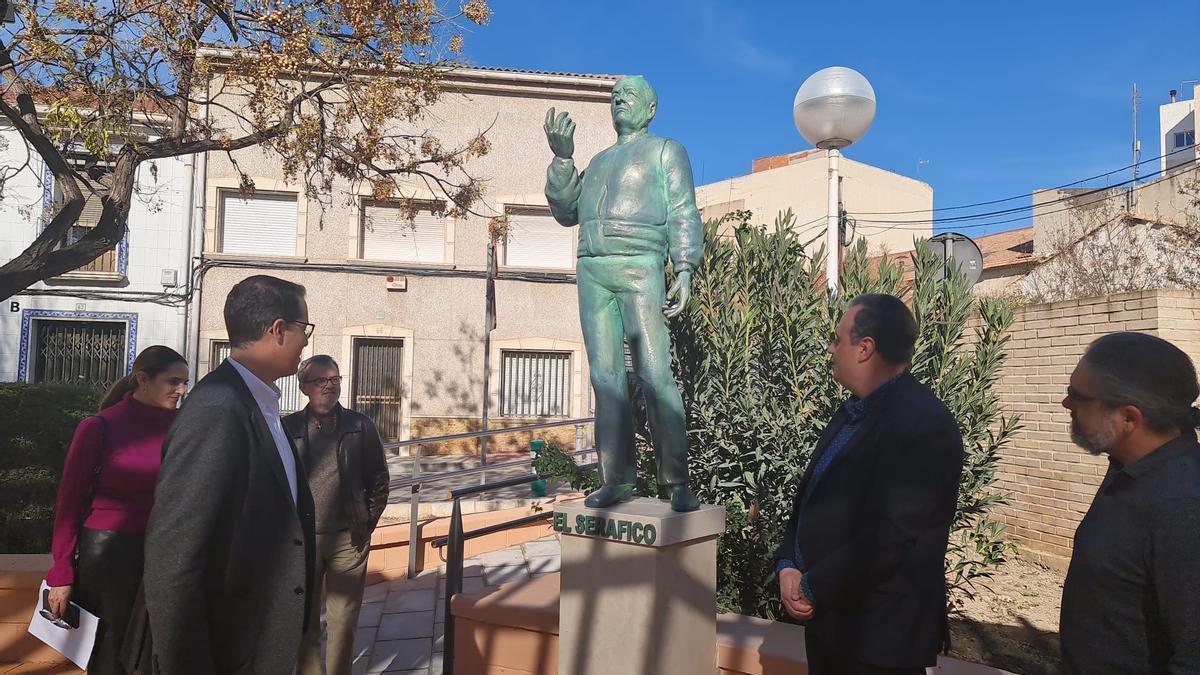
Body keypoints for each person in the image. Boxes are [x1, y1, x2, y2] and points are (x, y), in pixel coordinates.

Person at [773, 294, 963, 674]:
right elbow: (812, 497)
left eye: (838, 339)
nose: (831, 348)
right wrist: (787, 562)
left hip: (877, 642)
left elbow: (890, 537)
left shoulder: (924, 425)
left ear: (864, 349)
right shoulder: (851, 413)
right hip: (830, 628)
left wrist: (812, 587)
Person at [543, 75, 702, 511]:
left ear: (651, 108)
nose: (618, 101)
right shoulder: (595, 162)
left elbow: (684, 211)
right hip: (593, 266)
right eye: (614, 96)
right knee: (605, 379)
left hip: (640, 264)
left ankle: (677, 481)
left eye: (629, 96)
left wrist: (684, 269)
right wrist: (563, 159)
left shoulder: (666, 151)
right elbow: (565, 211)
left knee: (654, 373)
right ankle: (616, 479)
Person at [143, 275, 316, 675]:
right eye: (303, 329)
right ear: (277, 330)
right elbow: (174, 553)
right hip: (229, 651)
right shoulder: (218, 408)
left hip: (262, 642)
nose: (306, 340)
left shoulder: (263, 404)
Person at [1059, 332, 1200, 673]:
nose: (1066, 405)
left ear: (1128, 419)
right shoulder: (1129, 466)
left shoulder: (1182, 507)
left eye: (1077, 396)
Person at [44, 345, 188, 674]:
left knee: (162, 650)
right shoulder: (99, 427)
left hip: (167, 551)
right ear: (142, 379)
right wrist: (62, 572)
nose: (181, 390)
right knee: (109, 651)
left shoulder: (184, 427)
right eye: (173, 382)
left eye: (185, 382)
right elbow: (69, 503)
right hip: (109, 552)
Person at [285, 355, 389, 675]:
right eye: (321, 380)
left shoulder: (359, 426)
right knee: (305, 621)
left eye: (335, 379)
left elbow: (379, 480)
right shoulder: (287, 429)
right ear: (304, 387)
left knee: (343, 622)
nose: (329, 386)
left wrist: (365, 523)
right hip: (302, 542)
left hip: (348, 539)